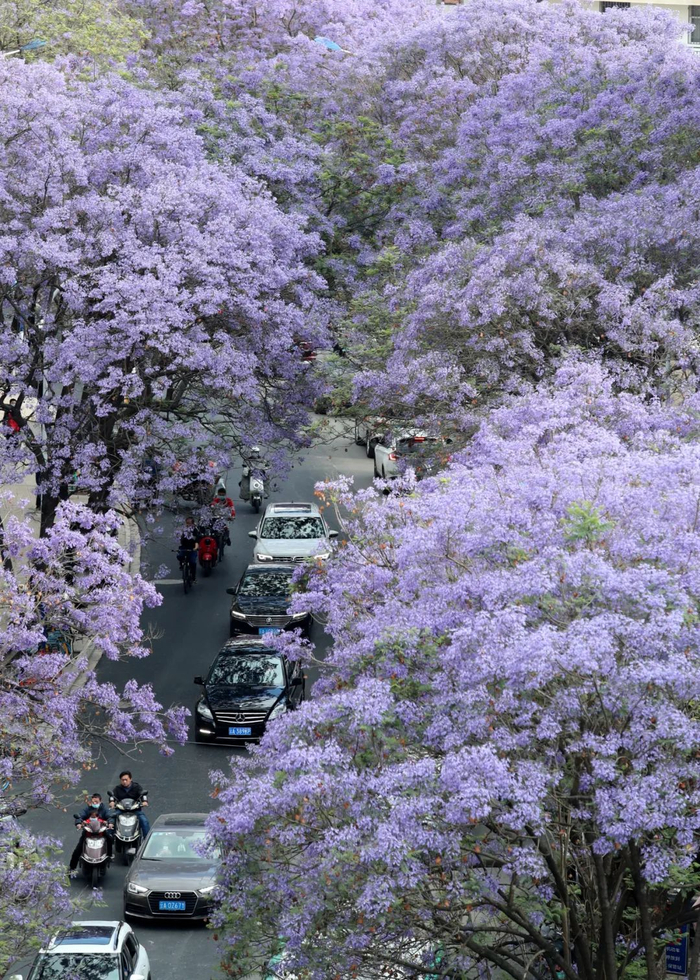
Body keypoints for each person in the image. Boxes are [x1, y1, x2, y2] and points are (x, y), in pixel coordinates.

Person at [69, 793, 113, 876]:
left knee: (110, 839)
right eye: (93, 802)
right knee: (78, 849)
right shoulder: (87, 809)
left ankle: (109, 856)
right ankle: (72, 868)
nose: (95, 803)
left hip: (101, 831)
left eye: (96, 802)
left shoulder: (104, 809)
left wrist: (110, 823)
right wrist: (78, 823)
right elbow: (80, 817)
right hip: (88, 832)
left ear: (100, 801)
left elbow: (109, 817)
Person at [111, 770, 150, 839]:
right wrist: (112, 802)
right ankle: (111, 839)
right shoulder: (117, 788)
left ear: (130, 779)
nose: (124, 781)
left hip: (135, 810)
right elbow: (112, 796)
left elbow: (143, 794)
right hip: (121, 810)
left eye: (126, 779)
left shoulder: (137, 787)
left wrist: (145, 801)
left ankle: (147, 839)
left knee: (144, 821)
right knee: (111, 819)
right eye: (122, 780)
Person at [178, 516, 200, 583]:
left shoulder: (195, 530)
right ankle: (182, 565)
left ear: (193, 524)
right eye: (187, 523)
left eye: (189, 523)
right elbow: (179, 539)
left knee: (192, 562)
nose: (188, 525)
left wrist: (195, 548)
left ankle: (193, 577)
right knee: (179, 556)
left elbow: (196, 541)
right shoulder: (183, 530)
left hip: (192, 548)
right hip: (184, 547)